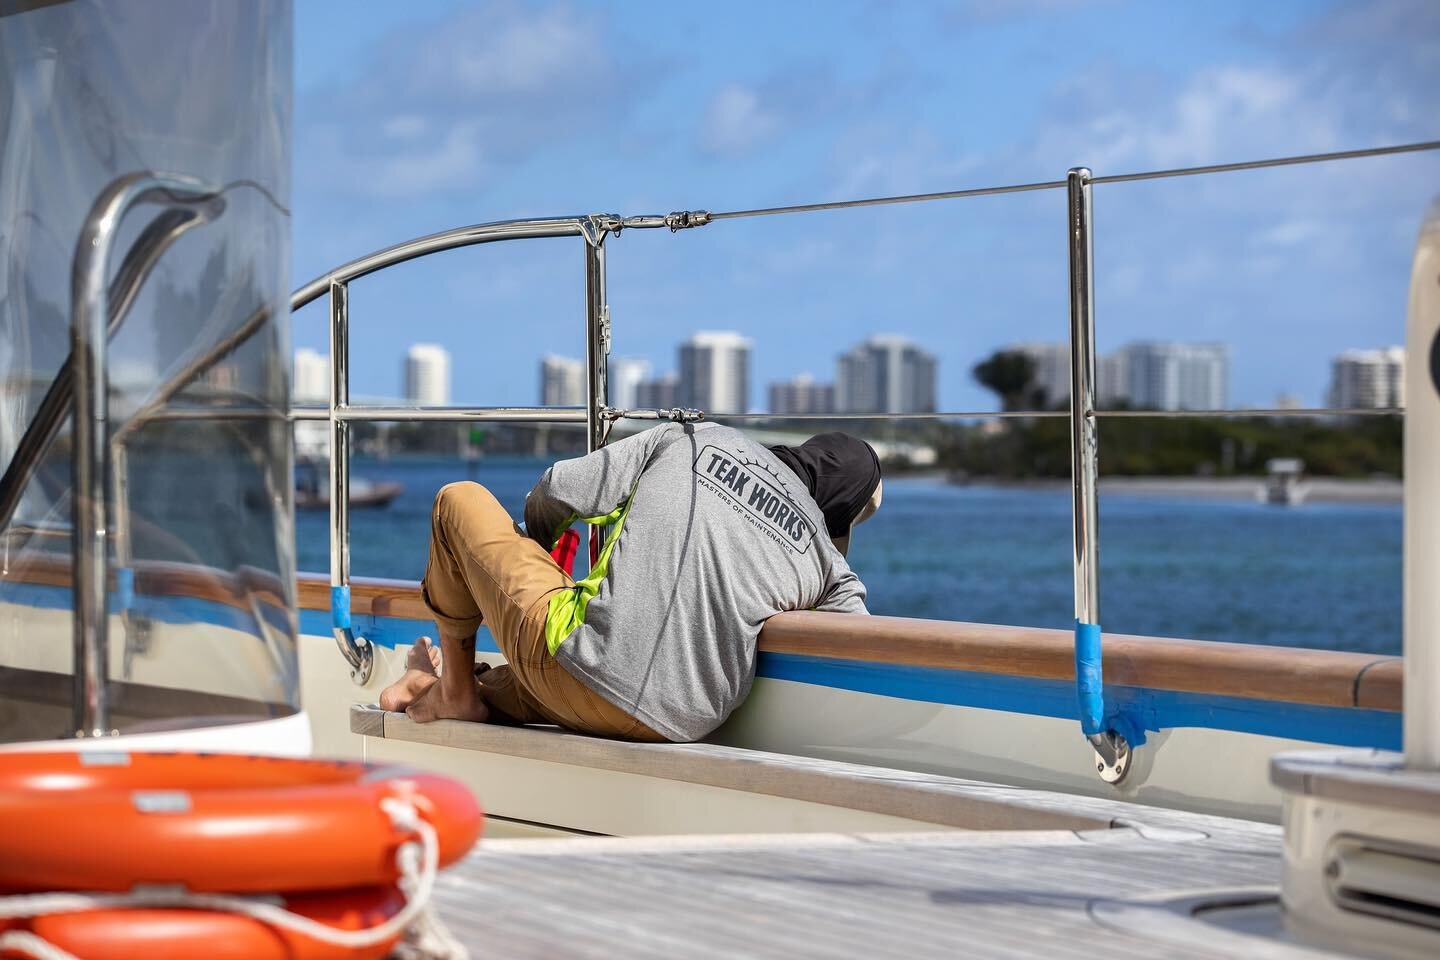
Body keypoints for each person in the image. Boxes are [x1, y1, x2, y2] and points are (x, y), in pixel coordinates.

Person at [379, 423, 882, 743]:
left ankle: (457, 688)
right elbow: (857, 640)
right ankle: (429, 688)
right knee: (568, 674)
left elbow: (553, 490)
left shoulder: (693, 439)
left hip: (579, 672)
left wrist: (537, 553)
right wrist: (830, 539)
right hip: (682, 722)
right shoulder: (827, 563)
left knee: (457, 499)